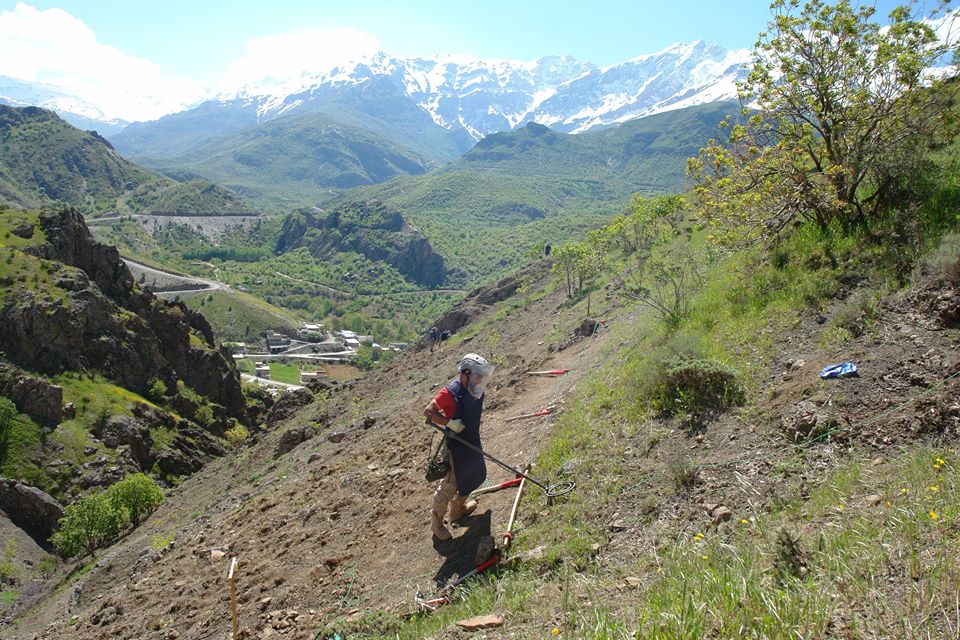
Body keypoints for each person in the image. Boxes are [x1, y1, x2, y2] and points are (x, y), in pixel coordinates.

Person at [422, 353, 495, 540]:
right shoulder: (450, 392)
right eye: (477, 375)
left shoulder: (476, 388)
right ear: (466, 373)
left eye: (482, 376)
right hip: (456, 447)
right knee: (449, 486)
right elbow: (428, 412)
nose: (480, 380)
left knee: (476, 475)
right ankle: (436, 524)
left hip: (472, 441)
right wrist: (450, 423)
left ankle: (458, 510)